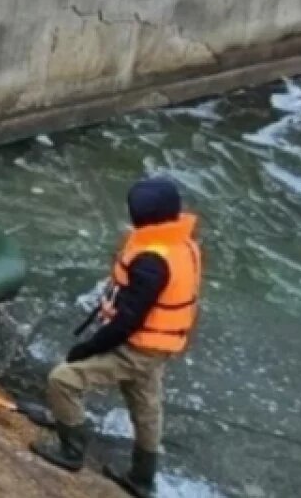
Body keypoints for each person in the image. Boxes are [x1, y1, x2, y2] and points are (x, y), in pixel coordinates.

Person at [31, 177, 202, 498]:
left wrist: (89, 347)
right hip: (159, 346)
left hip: (138, 347)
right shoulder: (181, 245)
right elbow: (146, 301)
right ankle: (143, 478)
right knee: (147, 406)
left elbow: (126, 322)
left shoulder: (151, 260)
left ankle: (71, 450)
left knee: (64, 380)